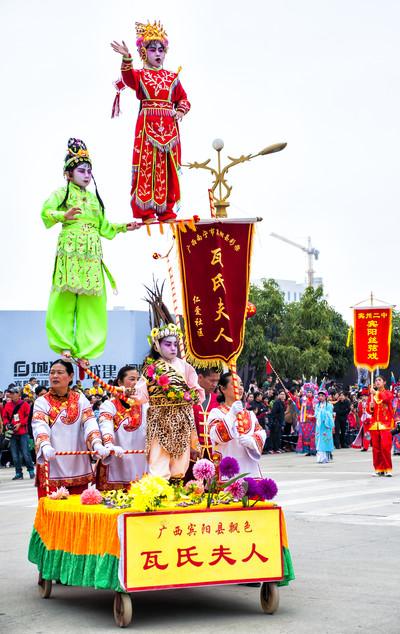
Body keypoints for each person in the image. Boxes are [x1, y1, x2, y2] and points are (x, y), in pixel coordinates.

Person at [41, 138, 138, 365]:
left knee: (92, 304)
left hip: (92, 255)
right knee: (63, 299)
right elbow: (46, 212)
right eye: (81, 170)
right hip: (70, 251)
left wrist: (125, 227)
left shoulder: (94, 200)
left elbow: (104, 227)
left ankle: (86, 350)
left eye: (89, 171)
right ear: (69, 173)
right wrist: (62, 216)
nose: (86, 175)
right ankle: (63, 343)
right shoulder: (61, 193)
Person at [111, 20, 190, 222]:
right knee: (146, 167)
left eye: (161, 50)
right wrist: (127, 58)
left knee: (167, 169)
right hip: (147, 127)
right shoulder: (140, 75)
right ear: (144, 53)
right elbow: (127, 78)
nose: (158, 54)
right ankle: (145, 212)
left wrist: (180, 111)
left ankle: (167, 211)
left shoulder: (172, 78)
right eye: (153, 49)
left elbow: (184, 99)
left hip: (169, 130)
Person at [134, 323, 204, 480]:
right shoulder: (151, 367)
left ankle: (176, 488)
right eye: (168, 344)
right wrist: (132, 394)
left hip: (182, 418)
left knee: (180, 460)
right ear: (157, 346)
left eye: (175, 344)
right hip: (159, 418)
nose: (173, 348)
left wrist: (188, 396)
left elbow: (196, 392)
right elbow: (142, 395)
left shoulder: (185, 366)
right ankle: (159, 494)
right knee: (159, 459)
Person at [32, 359, 109, 497]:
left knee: (77, 511)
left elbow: (90, 423)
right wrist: (44, 445)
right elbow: (40, 425)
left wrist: (97, 443)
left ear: (71, 376)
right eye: (52, 372)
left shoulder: (81, 400)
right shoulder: (41, 401)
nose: (54, 376)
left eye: (60, 372)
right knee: (52, 512)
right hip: (52, 463)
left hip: (77, 465)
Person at [98, 365, 148, 489]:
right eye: (132, 379)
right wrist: (109, 444)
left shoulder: (146, 405)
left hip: (140, 465)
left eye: (138, 379)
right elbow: (105, 425)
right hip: (115, 464)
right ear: (120, 382)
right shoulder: (109, 405)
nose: (136, 383)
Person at [208, 372, 266, 477]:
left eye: (241, 384)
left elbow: (261, 433)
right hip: (227, 471)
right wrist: (231, 414)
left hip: (249, 470)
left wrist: (252, 440)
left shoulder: (250, 414)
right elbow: (217, 436)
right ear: (223, 388)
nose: (239, 388)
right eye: (235, 384)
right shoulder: (216, 413)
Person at [2, 387, 35, 480]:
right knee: (15, 455)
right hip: (12, 433)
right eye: (10, 393)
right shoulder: (7, 405)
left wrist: (20, 424)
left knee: (25, 453)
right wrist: (6, 424)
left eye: (13, 393)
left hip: (23, 432)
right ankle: (18, 473)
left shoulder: (25, 405)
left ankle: (31, 471)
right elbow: (4, 417)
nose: (11, 395)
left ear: (18, 394)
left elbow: (28, 417)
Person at [366, 376, 395, 477]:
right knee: (376, 449)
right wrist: (370, 407)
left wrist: (375, 393)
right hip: (374, 425)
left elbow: (386, 399)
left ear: (384, 382)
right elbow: (369, 411)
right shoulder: (371, 395)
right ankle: (379, 469)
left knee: (385, 447)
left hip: (385, 424)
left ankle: (388, 469)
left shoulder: (388, 393)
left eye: (379, 380)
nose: (377, 382)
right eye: (376, 380)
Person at [296, 385, 317, 456]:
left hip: (313, 419)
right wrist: (298, 397)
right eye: (308, 392)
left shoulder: (315, 400)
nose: (309, 393)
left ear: (313, 393)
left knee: (312, 435)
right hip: (304, 420)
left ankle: (313, 450)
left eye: (310, 392)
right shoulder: (303, 399)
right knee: (305, 435)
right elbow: (298, 406)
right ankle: (307, 450)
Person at [315, 390, 334, 464]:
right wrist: (319, 413)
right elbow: (316, 414)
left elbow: (330, 414)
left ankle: (326, 457)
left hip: (326, 425)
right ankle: (320, 457)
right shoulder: (317, 405)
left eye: (322, 396)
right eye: (319, 396)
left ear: (325, 397)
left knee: (325, 441)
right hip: (319, 425)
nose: (320, 397)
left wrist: (323, 412)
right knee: (319, 441)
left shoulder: (329, 405)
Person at [392, 385, 400, 456]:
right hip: (397, 419)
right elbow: (393, 410)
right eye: (399, 392)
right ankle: (396, 450)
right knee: (397, 435)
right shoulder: (395, 400)